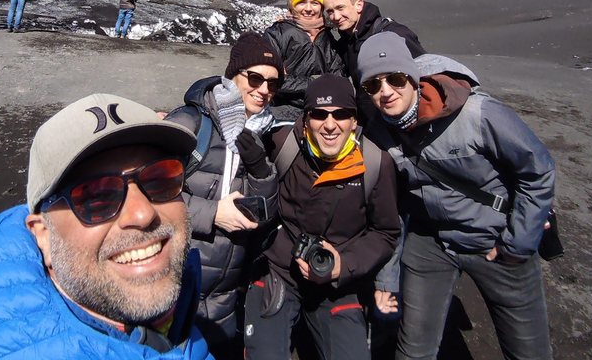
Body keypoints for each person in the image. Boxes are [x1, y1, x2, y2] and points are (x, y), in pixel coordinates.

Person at [0, 94, 214, 360]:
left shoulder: (179, 318)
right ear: (43, 235)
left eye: (160, 178)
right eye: (96, 196)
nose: (142, 213)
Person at [356, 33, 555, 360]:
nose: (386, 91)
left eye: (394, 78)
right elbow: (389, 208)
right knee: (413, 351)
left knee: (528, 352)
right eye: (372, 85)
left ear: (412, 77)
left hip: (494, 240)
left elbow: (539, 170)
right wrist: (388, 280)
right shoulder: (379, 134)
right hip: (430, 242)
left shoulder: (478, 114)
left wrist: (517, 245)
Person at [243, 73, 400, 360]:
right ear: (305, 121)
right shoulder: (282, 145)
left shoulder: (376, 163)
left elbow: (386, 233)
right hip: (279, 271)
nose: (330, 125)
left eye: (341, 114)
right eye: (319, 114)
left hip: (338, 284)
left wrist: (345, 265)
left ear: (354, 121)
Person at [164, 32, 282, 359]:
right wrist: (213, 214)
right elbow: (145, 198)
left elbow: (263, 216)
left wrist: (261, 170)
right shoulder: (192, 123)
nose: (264, 90)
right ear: (233, 75)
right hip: (175, 285)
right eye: (255, 78)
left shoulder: (260, 133)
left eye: (273, 84)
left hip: (224, 297)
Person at [324, 0, 425, 122]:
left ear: (359, 5)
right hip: (374, 127)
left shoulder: (394, 33)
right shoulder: (346, 42)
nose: (336, 16)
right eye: (330, 11)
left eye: (341, 8)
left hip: (406, 123)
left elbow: (425, 71)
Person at [264, 0, 344, 122]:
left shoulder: (329, 37)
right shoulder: (277, 34)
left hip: (323, 110)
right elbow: (274, 80)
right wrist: (315, 82)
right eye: (302, 3)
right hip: (284, 111)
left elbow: (338, 78)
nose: (309, 9)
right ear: (292, 6)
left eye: (314, 3)